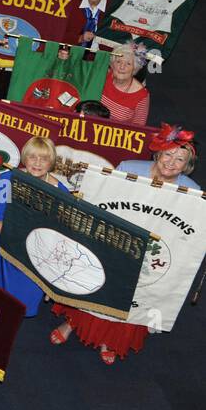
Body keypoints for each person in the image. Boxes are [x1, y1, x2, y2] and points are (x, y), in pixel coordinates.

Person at [52, 126, 197, 365]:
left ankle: (111, 339)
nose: (171, 163)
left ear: (187, 165)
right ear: (157, 154)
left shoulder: (193, 191)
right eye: (167, 155)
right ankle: (72, 322)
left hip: (153, 253)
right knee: (97, 283)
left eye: (180, 159)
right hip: (114, 241)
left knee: (131, 296)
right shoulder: (128, 169)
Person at [0, 137, 67, 319]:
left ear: (51, 162)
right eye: (32, 157)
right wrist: (22, 241)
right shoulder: (8, 179)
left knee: (15, 313)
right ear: (24, 158)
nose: (37, 163)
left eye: (43, 159)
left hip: (36, 261)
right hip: (3, 250)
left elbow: (59, 235)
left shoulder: (61, 193)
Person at [99, 41, 151, 125]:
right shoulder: (102, 76)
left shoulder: (142, 95)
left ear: (135, 68)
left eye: (128, 64)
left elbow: (138, 128)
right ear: (112, 64)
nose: (122, 67)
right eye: (119, 62)